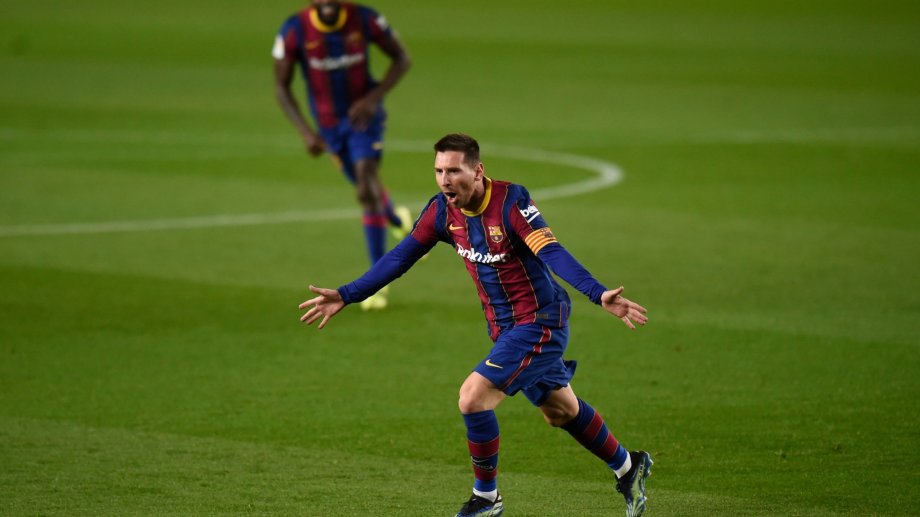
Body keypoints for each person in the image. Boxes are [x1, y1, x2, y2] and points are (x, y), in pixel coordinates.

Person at [299, 133, 653, 517]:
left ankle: (487, 498)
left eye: (454, 171)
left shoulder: (511, 203)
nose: (445, 180)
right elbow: (400, 257)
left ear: (478, 170)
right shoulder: (441, 213)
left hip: (540, 322)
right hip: (503, 329)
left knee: (472, 397)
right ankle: (629, 467)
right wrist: (347, 294)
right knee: (560, 411)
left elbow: (551, 251)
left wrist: (598, 293)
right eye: (439, 171)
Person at [273, 0, 412, 310]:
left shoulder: (364, 19)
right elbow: (281, 86)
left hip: (363, 118)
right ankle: (395, 218)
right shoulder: (295, 30)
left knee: (365, 186)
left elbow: (402, 58)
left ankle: (376, 283)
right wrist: (306, 132)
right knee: (367, 189)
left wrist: (373, 99)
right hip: (329, 127)